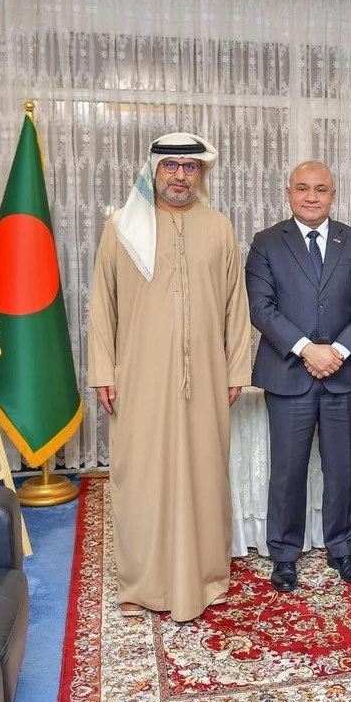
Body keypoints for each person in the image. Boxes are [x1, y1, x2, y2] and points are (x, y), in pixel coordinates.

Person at [87, 132, 252, 622]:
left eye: (191, 167)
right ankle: (141, 583)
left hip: (206, 375)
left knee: (203, 476)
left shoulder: (218, 226)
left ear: (202, 174)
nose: (181, 175)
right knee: (141, 476)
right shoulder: (122, 226)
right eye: (172, 166)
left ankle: (203, 578)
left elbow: (234, 306)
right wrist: (102, 371)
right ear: (154, 170)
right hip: (137, 374)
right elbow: (103, 305)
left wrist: (236, 367)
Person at [245, 160, 351, 592]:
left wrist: (338, 352)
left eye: (320, 189)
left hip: (342, 375)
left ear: (333, 194)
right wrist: (308, 349)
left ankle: (342, 550)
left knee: (340, 470)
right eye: (302, 188)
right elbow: (261, 307)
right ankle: (284, 555)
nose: (311, 196)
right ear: (288, 193)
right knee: (287, 471)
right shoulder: (267, 242)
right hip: (288, 375)